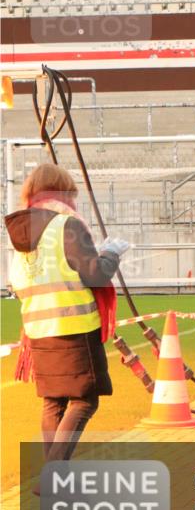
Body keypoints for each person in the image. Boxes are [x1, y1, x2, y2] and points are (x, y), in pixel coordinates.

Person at [5, 163, 128, 466]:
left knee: (54, 402)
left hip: (38, 330)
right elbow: (95, 274)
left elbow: (16, 282)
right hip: (75, 327)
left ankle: (52, 476)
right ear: (63, 192)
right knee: (85, 400)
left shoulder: (21, 233)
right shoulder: (66, 226)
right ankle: (54, 472)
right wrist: (111, 253)